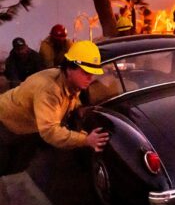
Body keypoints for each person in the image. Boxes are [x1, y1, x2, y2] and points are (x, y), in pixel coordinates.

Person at [0, 40, 110, 176]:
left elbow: (70, 97)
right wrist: (86, 140)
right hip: (5, 122)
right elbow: (50, 131)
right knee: (5, 167)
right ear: (70, 69)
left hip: (25, 125)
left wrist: (78, 107)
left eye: (93, 73)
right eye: (86, 72)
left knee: (19, 165)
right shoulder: (49, 90)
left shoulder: (70, 80)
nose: (90, 77)